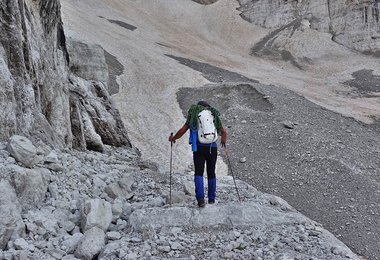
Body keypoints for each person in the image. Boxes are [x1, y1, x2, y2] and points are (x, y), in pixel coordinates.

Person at [169, 101, 227, 207]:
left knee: (199, 173)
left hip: (199, 148)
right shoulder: (212, 115)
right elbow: (224, 132)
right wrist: (223, 141)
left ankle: (200, 199)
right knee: (211, 173)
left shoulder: (194, 115)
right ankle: (211, 199)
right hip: (212, 147)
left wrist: (173, 138)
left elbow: (182, 130)